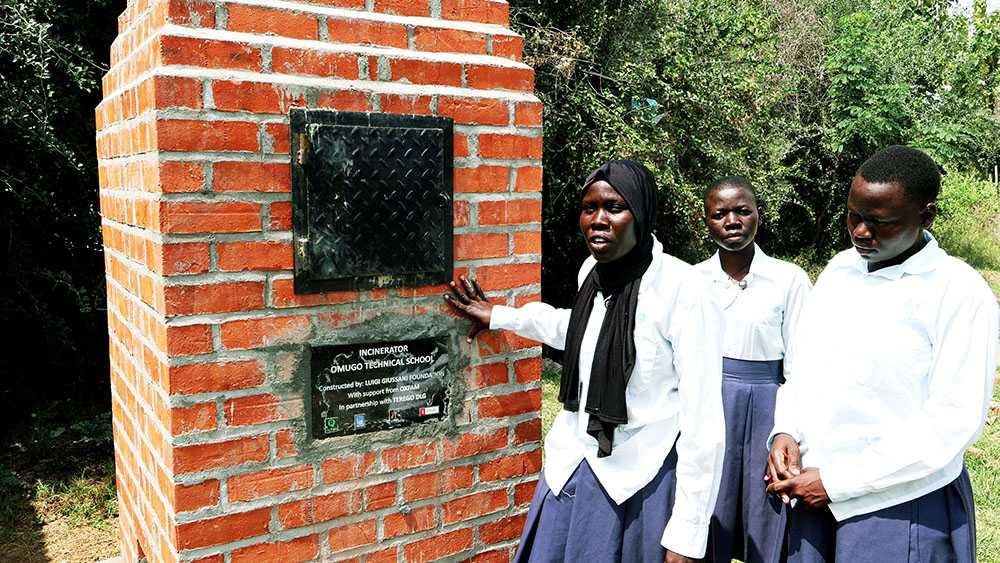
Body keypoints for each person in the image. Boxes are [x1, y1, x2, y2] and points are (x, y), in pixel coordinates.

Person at [444, 160, 726, 562]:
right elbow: (578, 328)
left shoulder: (683, 290)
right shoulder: (593, 272)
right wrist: (502, 316)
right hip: (572, 460)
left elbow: (704, 424)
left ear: (641, 213)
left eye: (614, 207)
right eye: (589, 207)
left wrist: (687, 534)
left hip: (637, 479)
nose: (597, 220)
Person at [765, 145, 999, 562]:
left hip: (898, 505)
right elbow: (803, 369)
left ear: (925, 216)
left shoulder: (958, 292)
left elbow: (952, 422)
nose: (860, 232)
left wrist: (840, 481)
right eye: (854, 215)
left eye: (879, 222)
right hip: (813, 495)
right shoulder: (839, 271)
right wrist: (785, 430)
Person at [696, 177, 811, 563]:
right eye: (720, 214)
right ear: (707, 221)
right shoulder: (692, 281)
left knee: (768, 507)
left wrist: (788, 428)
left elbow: (800, 361)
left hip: (769, 402)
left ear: (759, 215)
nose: (732, 221)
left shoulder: (788, 279)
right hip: (709, 402)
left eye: (742, 211)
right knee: (710, 502)